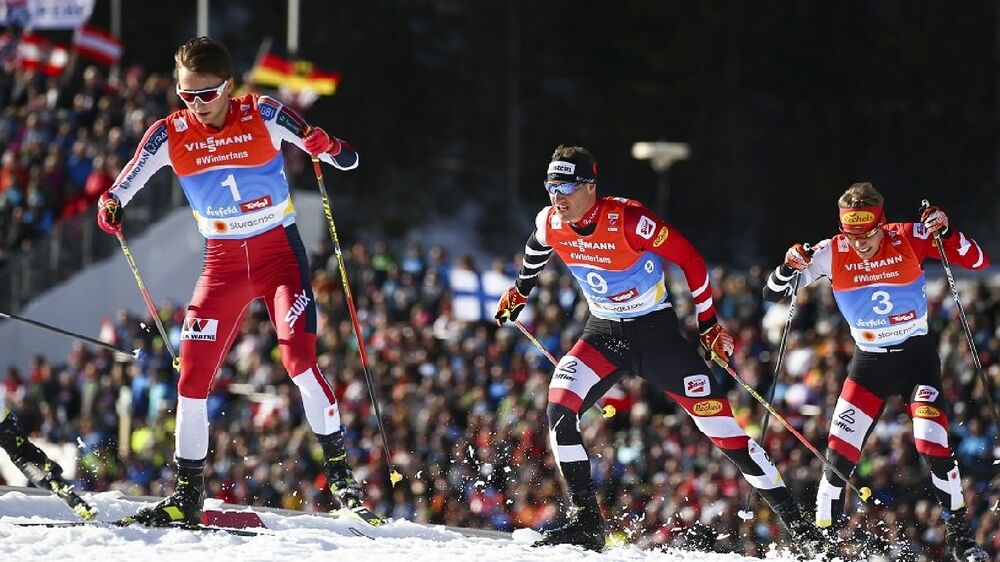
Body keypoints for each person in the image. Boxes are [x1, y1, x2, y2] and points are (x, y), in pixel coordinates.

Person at [495, 145, 824, 556]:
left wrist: (708, 323)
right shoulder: (550, 221)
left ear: (590, 186)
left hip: (656, 338)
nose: (556, 197)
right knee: (559, 409)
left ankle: (803, 531)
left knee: (726, 434)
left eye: (565, 186)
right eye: (550, 186)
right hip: (603, 336)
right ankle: (586, 523)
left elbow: (691, 260)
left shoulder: (630, 220)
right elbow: (536, 246)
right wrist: (520, 290)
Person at [96, 37, 366, 527]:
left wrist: (329, 148)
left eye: (206, 94)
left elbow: (345, 159)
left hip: (278, 256)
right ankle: (187, 494)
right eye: (185, 95)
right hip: (221, 266)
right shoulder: (168, 133)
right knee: (191, 379)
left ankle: (344, 482)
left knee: (299, 362)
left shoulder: (263, 112)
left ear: (229, 87)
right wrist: (110, 204)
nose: (196, 105)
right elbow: (124, 184)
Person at [763, 182, 989, 562]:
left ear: (881, 224)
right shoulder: (831, 251)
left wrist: (947, 232)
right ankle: (822, 545)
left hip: (917, 361)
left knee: (932, 445)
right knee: (837, 458)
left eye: (868, 234)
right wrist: (789, 265)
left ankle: (961, 537)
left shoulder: (909, 236)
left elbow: (978, 261)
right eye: (852, 235)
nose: (861, 244)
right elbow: (772, 293)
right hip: (869, 364)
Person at [0, 404, 97, 519]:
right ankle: (62, 490)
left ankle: (52, 480)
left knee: (23, 454)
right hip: (3, 418)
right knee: (23, 454)